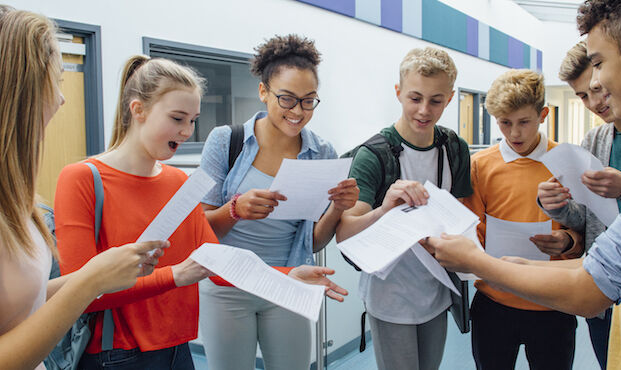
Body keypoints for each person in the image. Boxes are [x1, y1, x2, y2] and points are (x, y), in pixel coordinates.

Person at [55, 52, 347, 369]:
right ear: (138, 110)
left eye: (193, 121)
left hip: (177, 350)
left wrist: (290, 275)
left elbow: (219, 264)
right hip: (116, 354)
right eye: (178, 119)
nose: (186, 132)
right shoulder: (83, 179)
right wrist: (177, 275)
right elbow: (77, 293)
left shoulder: (179, 182)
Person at [424, 1, 621, 369]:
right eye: (504, 123)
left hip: (560, 310)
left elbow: (590, 288)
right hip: (502, 304)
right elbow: (595, 263)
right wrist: (513, 263)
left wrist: (480, 261)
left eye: (599, 64)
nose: (596, 85)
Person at [0, 6, 167, 370]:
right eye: (57, 81)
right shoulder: (83, 176)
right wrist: (91, 280)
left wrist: (101, 275)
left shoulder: (16, 200)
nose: (61, 100)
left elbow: (19, 305)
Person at [197, 34, 357, 370]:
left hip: (289, 280)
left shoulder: (322, 152)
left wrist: (338, 208)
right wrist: (235, 210)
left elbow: (313, 241)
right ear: (263, 92)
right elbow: (200, 231)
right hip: (228, 285)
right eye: (286, 99)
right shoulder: (227, 141)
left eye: (308, 101)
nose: (298, 111)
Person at [336, 47, 472, 370]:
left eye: (436, 101)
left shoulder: (455, 149)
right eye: (415, 98)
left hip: (437, 291)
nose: (424, 110)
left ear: (450, 99)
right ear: (398, 93)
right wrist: (384, 210)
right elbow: (345, 234)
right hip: (390, 295)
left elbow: (465, 214)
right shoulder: (373, 155)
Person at [459, 69, 584, 370]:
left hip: (554, 301)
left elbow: (586, 230)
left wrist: (567, 240)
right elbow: (471, 234)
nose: (514, 133)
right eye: (505, 123)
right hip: (494, 304)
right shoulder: (479, 166)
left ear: (543, 114)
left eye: (524, 122)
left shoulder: (569, 161)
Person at [536, 40, 621, 369]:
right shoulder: (593, 141)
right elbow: (584, 219)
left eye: (598, 89)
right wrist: (555, 206)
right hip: (603, 293)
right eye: (582, 96)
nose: (594, 102)